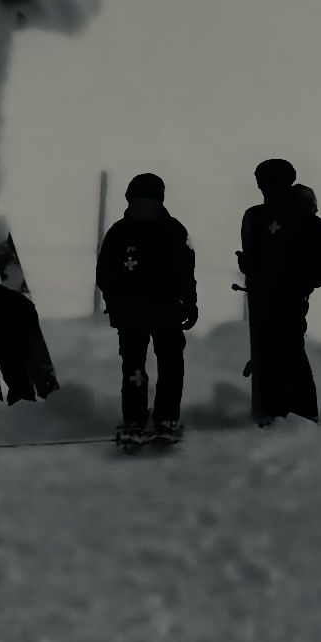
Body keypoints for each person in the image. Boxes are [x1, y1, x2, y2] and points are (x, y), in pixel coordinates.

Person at [97, 173, 199, 444]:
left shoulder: (118, 232)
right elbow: (185, 269)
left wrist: (114, 304)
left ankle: (134, 417)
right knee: (170, 365)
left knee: (133, 365)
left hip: (130, 313)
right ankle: (166, 417)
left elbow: (104, 273)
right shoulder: (174, 229)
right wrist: (190, 303)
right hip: (166, 310)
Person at [241, 157, 321, 426]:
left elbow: (251, 258)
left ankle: (279, 412)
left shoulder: (254, 216)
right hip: (286, 296)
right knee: (286, 350)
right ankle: (296, 412)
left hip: (271, 296)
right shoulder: (308, 220)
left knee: (276, 350)